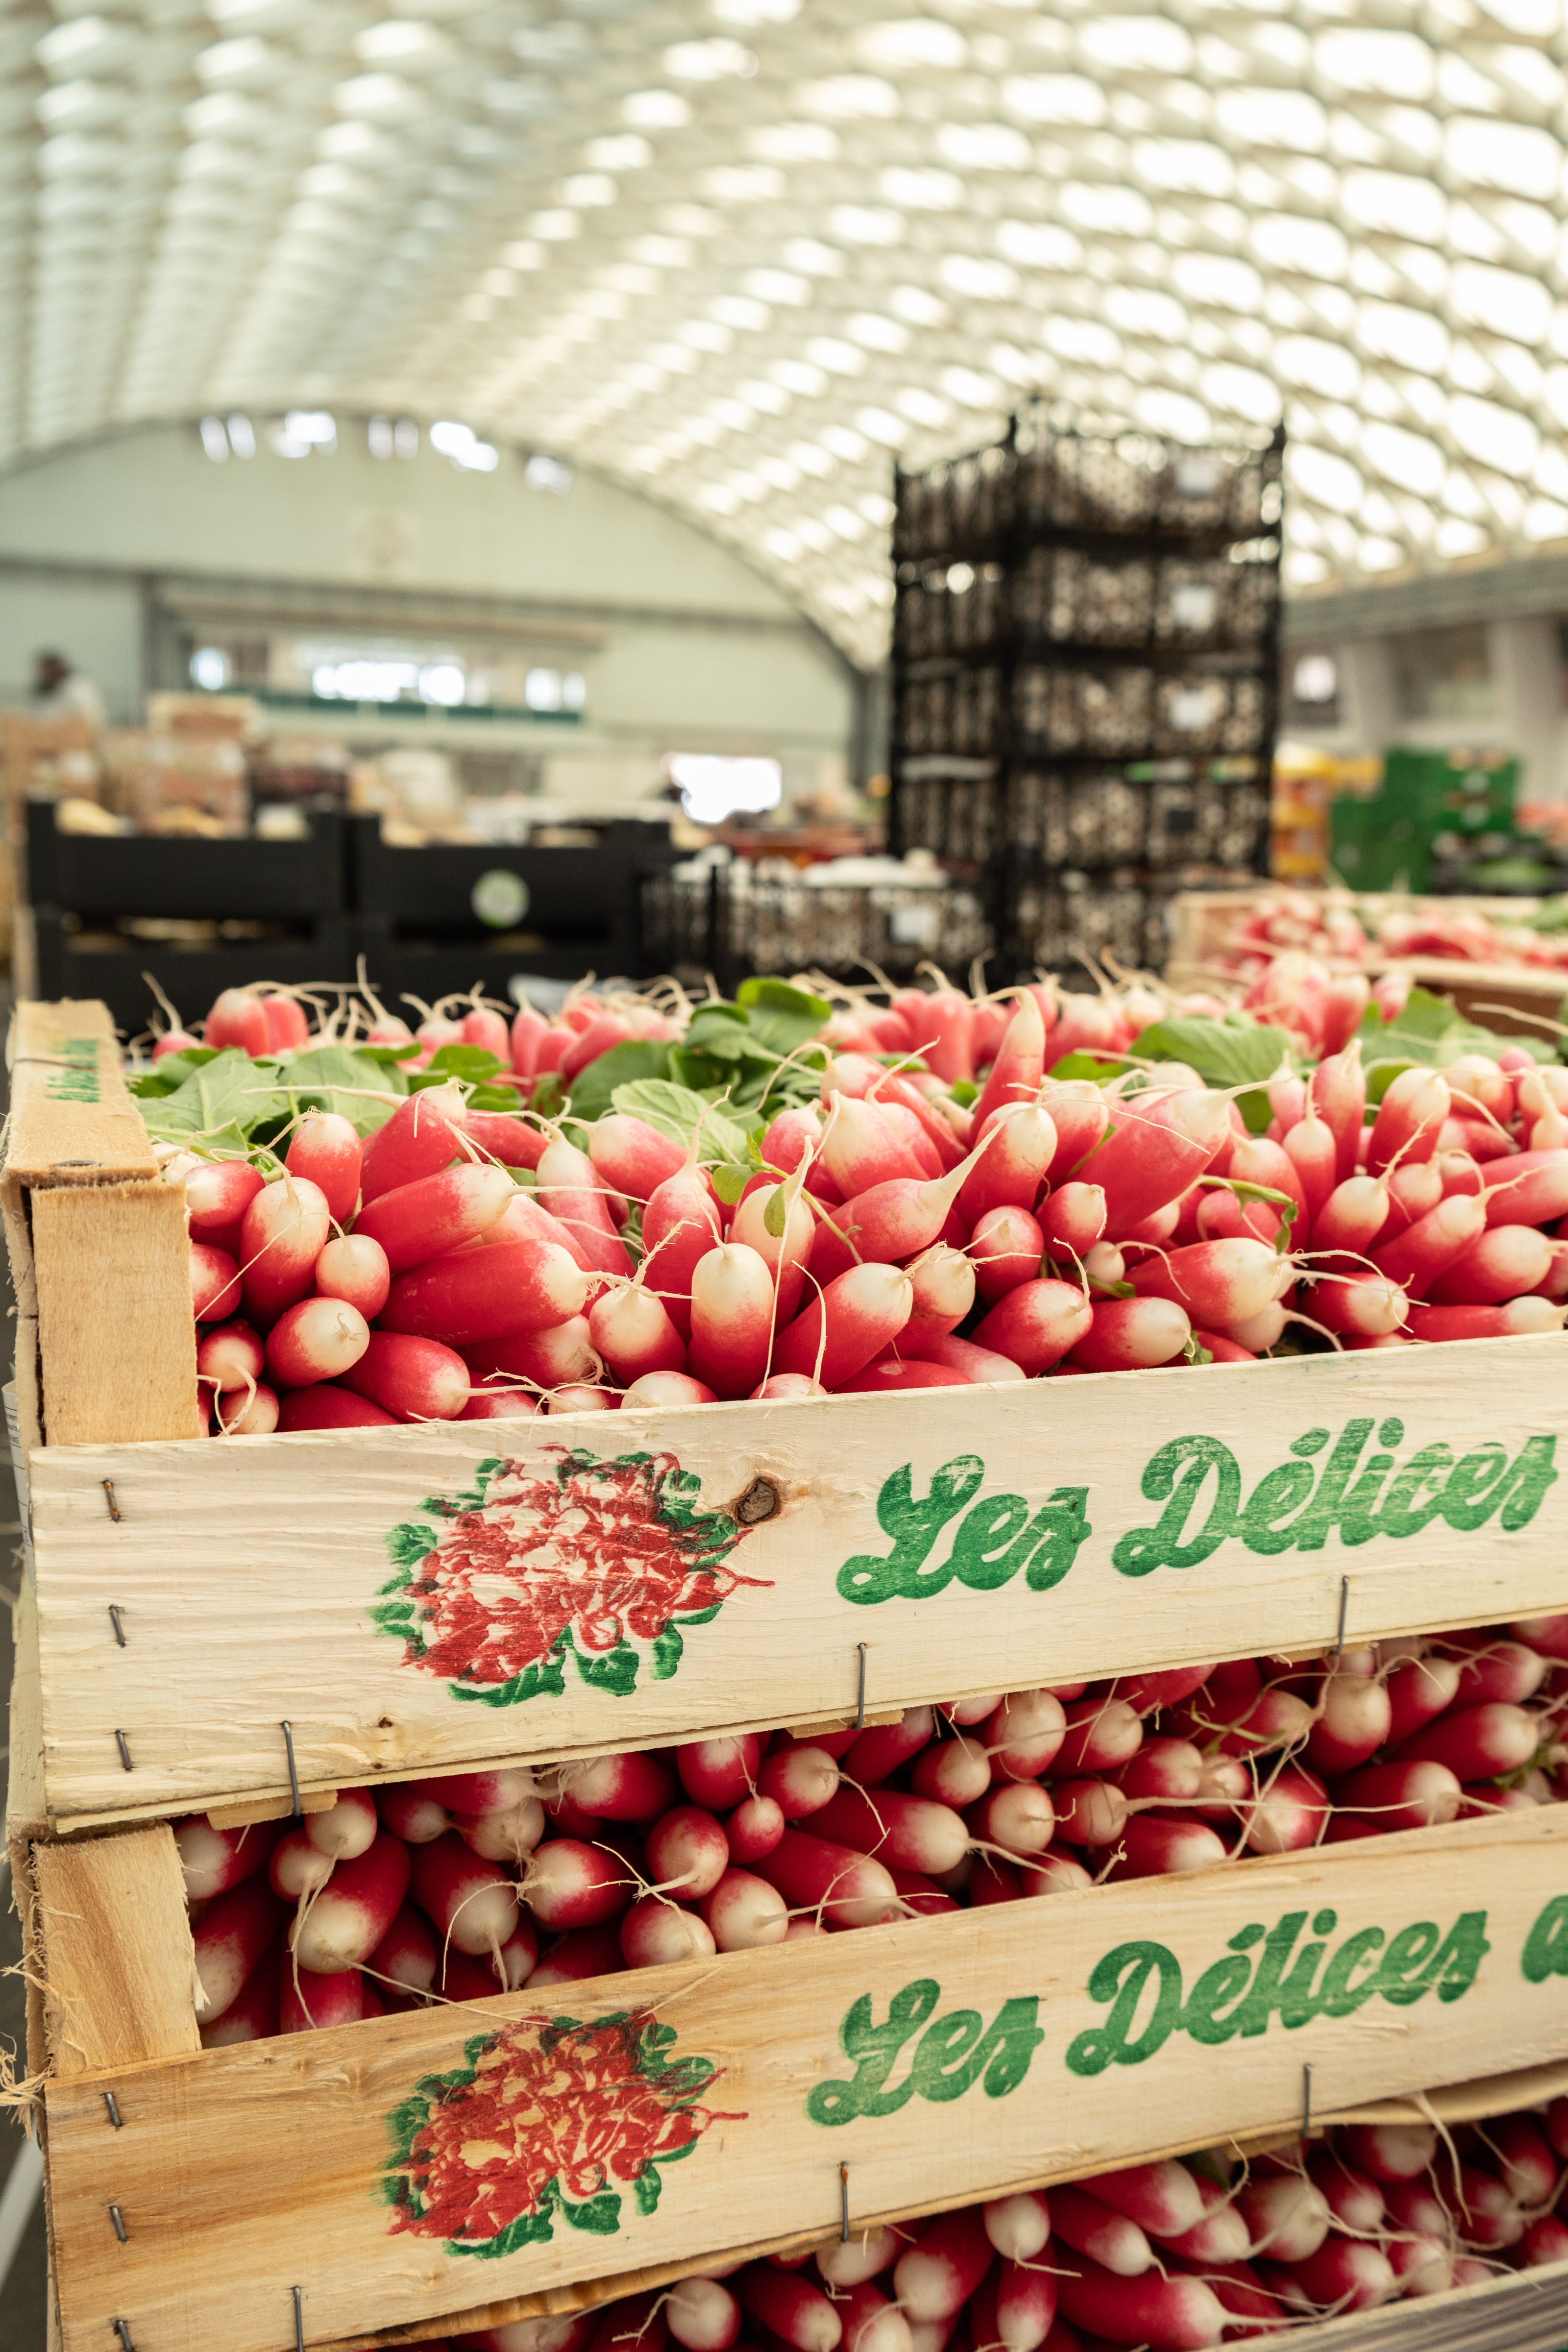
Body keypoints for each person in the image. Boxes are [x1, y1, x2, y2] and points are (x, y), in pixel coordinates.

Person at [31, 650, 104, 727]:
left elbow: (89, 720)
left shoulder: (79, 689)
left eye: (47, 671)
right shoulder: (51, 691)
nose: (44, 676)